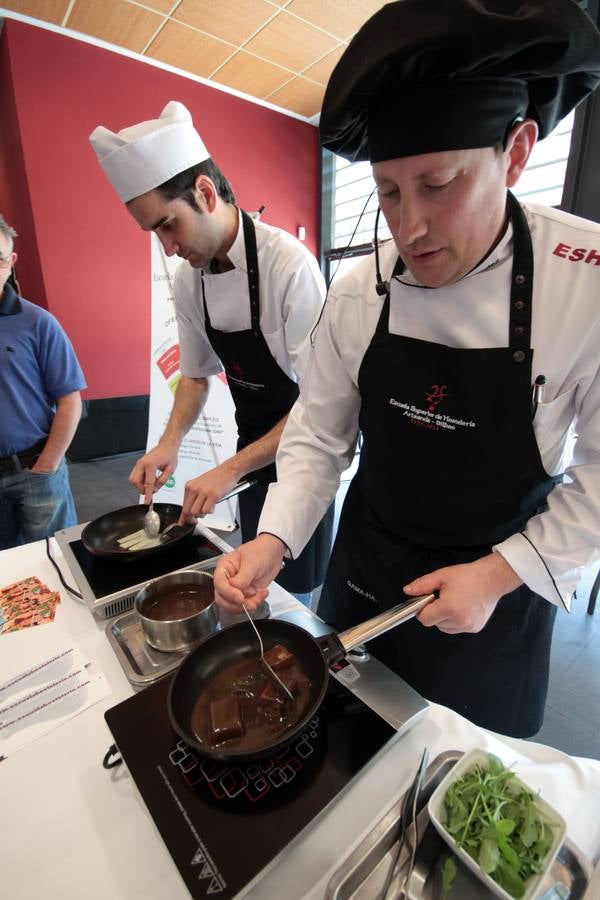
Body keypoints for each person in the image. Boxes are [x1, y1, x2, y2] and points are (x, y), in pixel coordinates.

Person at [214, 0, 600, 737]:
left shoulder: (585, 278)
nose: (408, 226)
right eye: (388, 192)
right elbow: (321, 437)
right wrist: (274, 538)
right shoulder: (363, 292)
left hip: (498, 587)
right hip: (371, 568)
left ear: (515, 152)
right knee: (346, 740)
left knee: (464, 785)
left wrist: (496, 577)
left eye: (438, 184)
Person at [89, 102, 333, 606]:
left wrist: (229, 469)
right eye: (155, 233)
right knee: (254, 577)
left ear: (204, 192)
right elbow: (197, 376)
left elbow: (319, 408)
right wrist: (168, 443)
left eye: (167, 225)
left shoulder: (290, 267)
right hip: (253, 445)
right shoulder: (188, 279)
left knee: (297, 591)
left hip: (305, 448)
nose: (168, 246)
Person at [0, 214, 85, 550]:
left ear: (11, 262)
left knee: (56, 563)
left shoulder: (39, 323)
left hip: (34, 472)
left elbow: (70, 401)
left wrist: (46, 465)